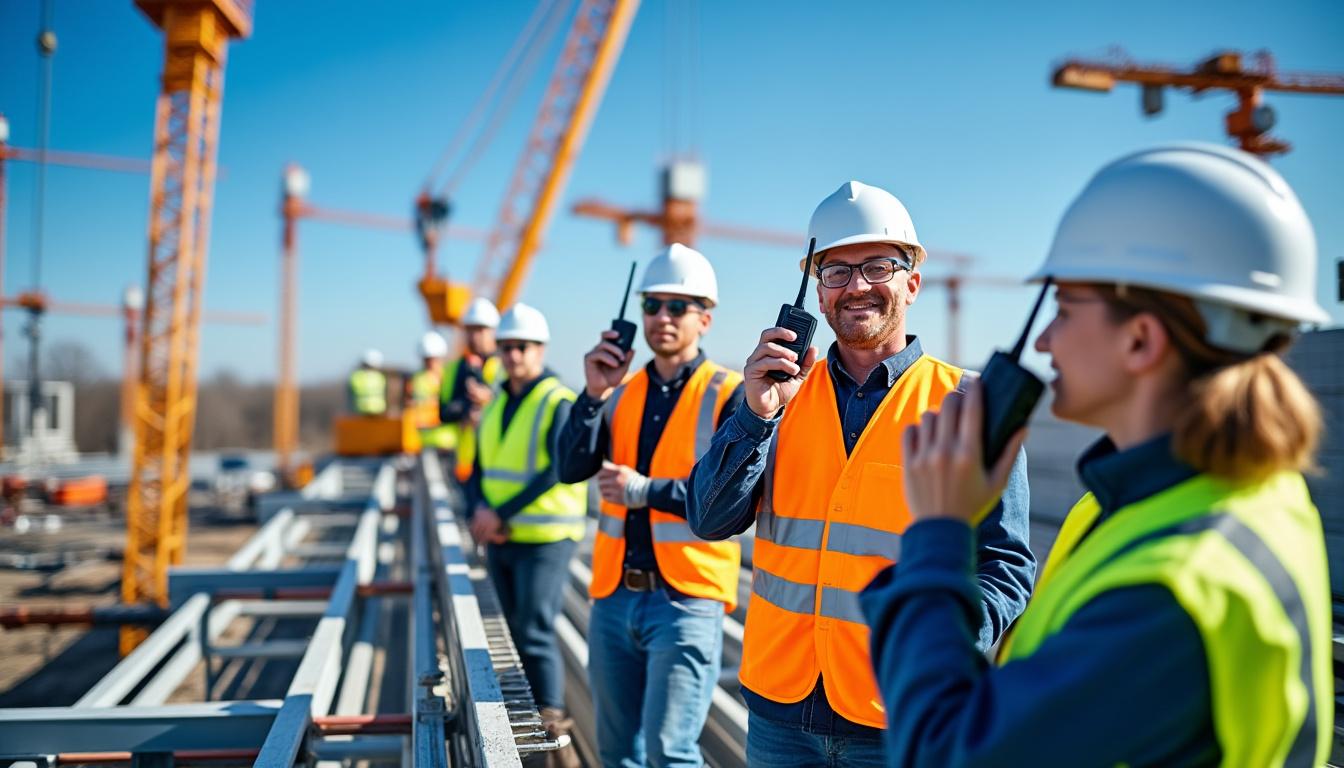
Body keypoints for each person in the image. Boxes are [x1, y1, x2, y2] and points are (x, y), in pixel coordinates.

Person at [861, 144, 1332, 767]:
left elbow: (939, 755)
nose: (1047, 340)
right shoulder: (1237, 493)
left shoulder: (1170, 586)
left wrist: (940, 532)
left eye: (1064, 309)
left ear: (1140, 339)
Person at [687, 181, 1034, 766]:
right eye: (836, 273)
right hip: (779, 710)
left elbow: (1006, 565)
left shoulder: (969, 404)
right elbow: (710, 519)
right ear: (817, 294)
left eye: (878, 266)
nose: (857, 287)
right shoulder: (773, 395)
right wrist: (753, 416)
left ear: (912, 283)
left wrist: (945, 651)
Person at [555, 243, 746, 767]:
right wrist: (592, 394)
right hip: (615, 596)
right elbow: (570, 468)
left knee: (671, 751)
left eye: (678, 307)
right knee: (618, 752)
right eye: (652, 305)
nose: (662, 317)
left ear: (705, 318)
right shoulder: (620, 391)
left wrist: (645, 490)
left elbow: (727, 500)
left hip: (686, 598)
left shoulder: (731, 394)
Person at [464, 302, 587, 754]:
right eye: (506, 347)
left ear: (541, 349)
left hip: (546, 538)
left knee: (535, 628)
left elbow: (556, 468)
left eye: (522, 347)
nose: (513, 355)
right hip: (501, 536)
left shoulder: (558, 400)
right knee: (512, 631)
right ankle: (522, 716)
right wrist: (479, 510)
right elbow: (477, 465)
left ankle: (551, 721)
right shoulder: (496, 401)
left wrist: (499, 513)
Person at [440, 297, 504, 481]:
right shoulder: (455, 369)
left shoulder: (506, 366)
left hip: (499, 459)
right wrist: (467, 410)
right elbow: (444, 412)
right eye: (470, 330)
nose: (475, 336)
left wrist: (489, 400)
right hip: (467, 460)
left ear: (493, 331)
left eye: (481, 330)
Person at [408, 331, 453, 448]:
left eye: (433, 359)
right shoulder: (417, 380)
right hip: (425, 439)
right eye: (427, 359)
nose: (430, 363)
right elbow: (410, 404)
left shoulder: (448, 376)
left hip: (447, 439)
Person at [348, 349, 387, 416]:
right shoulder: (380, 377)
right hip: (379, 410)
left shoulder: (356, 376)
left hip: (359, 410)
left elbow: (349, 396)